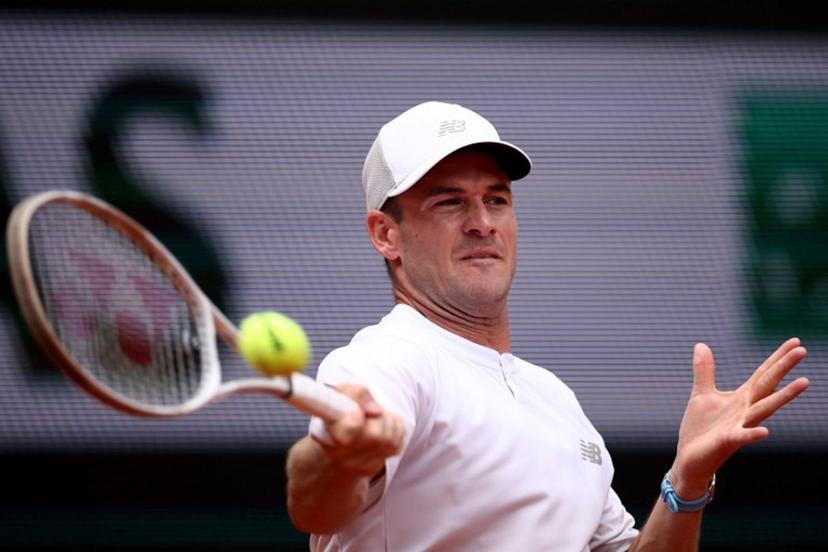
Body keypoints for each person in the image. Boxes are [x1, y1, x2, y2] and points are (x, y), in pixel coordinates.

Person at [285, 101, 810, 551]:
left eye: (496, 199)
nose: (482, 222)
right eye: (449, 202)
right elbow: (317, 507)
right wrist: (337, 458)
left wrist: (686, 480)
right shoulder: (386, 360)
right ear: (386, 235)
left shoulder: (554, 399)